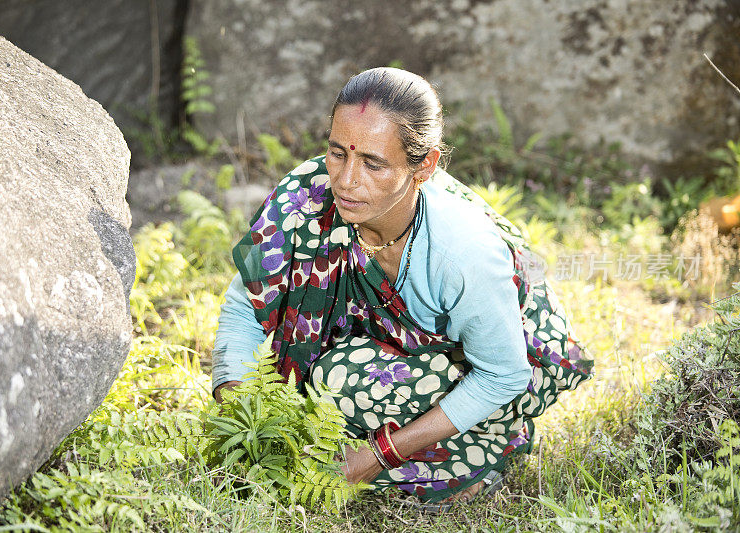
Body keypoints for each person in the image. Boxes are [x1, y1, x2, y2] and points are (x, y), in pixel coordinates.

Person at [211, 67, 593, 507]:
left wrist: (377, 455)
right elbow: (246, 307)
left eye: (373, 163)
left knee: (339, 383)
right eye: (338, 153)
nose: (346, 179)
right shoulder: (305, 199)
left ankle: (490, 443)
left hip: (500, 367)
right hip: (380, 356)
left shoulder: (461, 251)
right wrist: (240, 408)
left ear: (424, 165)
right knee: (314, 403)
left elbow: (503, 374)